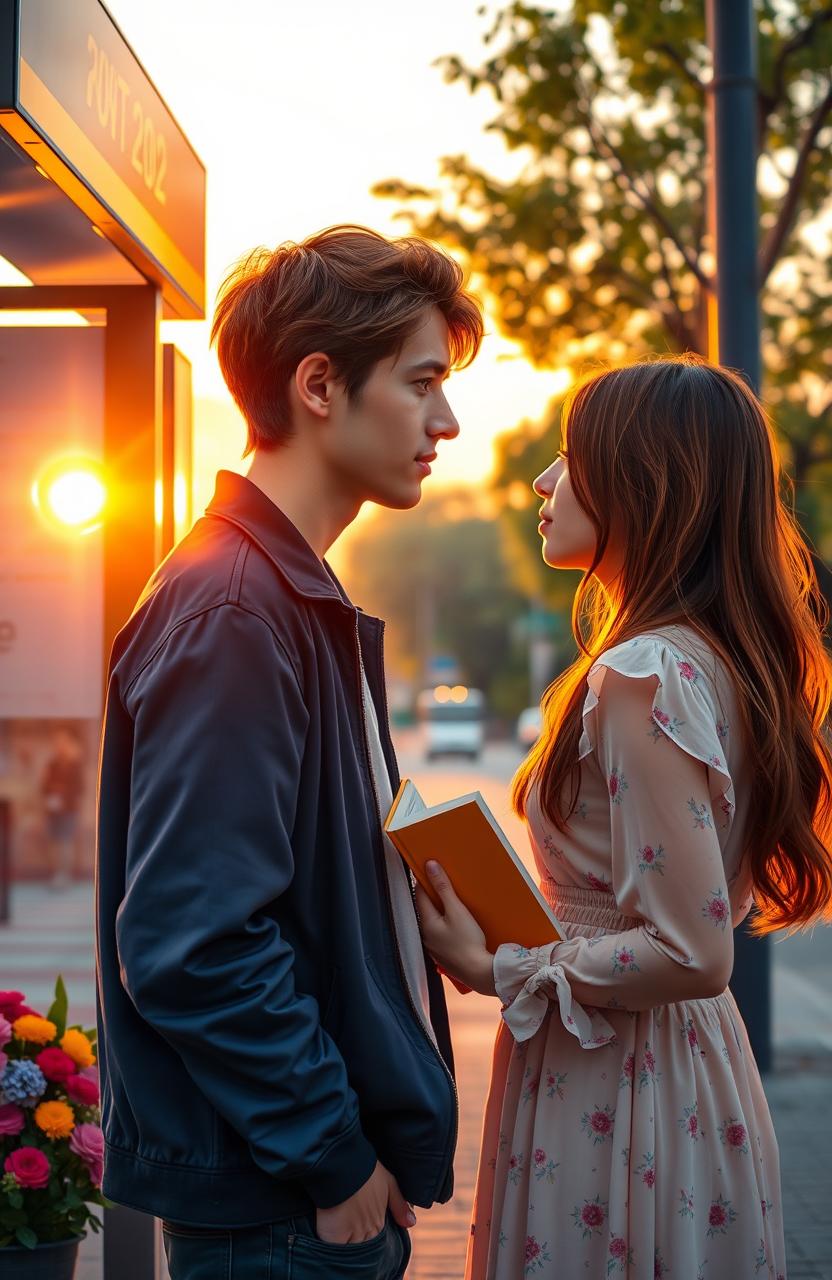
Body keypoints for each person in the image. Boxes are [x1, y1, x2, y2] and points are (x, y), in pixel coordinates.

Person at [95, 225, 483, 1280]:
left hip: (290, 1199)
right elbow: (193, 937)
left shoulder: (280, 594)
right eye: (421, 383)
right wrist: (332, 1153)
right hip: (283, 1210)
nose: (445, 420)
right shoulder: (236, 607)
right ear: (320, 384)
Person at [417, 354, 832, 1280]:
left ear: (644, 486)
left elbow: (690, 948)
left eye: (571, 456)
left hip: (624, 1075)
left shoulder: (642, 673)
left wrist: (500, 966)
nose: (545, 479)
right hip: (675, 1064)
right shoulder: (709, 660)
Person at [40, 725, 84, 890]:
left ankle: (64, 876)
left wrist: (63, 791)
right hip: (53, 808)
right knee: (54, 842)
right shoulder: (51, 764)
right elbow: (44, 786)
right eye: (57, 742)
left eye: (63, 741)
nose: (60, 745)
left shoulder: (75, 764)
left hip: (69, 809)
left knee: (65, 842)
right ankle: (57, 874)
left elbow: (79, 787)